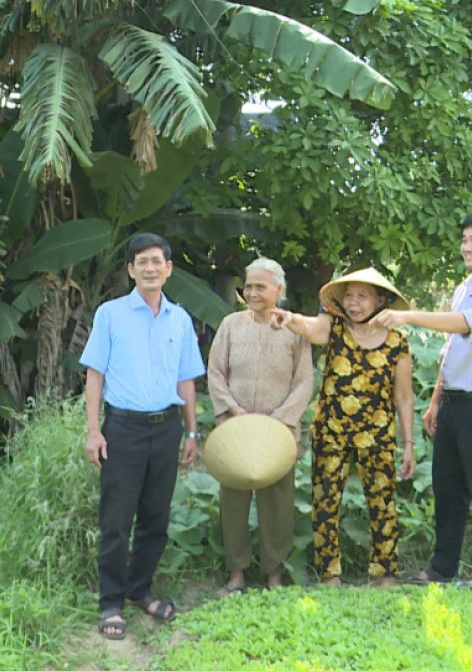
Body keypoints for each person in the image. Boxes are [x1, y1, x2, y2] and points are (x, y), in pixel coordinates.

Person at [370, 208, 472, 588]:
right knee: (448, 490)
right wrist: (437, 397)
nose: (467, 247)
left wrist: (408, 316)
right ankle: (442, 568)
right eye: (465, 239)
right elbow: (452, 346)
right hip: (454, 403)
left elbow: (463, 324)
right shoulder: (463, 288)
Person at [79, 233, 205, 640]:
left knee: (156, 517)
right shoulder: (110, 314)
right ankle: (111, 603)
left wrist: (191, 431)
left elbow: (186, 379)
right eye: (141, 262)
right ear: (131, 270)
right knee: (116, 520)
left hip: (166, 428)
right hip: (123, 429)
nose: (150, 268)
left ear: (169, 268)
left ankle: (140, 590)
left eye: (156, 261)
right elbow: (94, 375)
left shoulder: (180, 319)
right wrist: (94, 432)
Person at [271, 268, 416, 587]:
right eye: (349, 295)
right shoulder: (333, 328)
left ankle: (385, 573)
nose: (353, 302)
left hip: (378, 436)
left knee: (383, 503)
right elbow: (308, 325)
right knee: (325, 502)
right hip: (331, 433)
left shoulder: (397, 342)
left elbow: (404, 397)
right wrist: (289, 318)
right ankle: (329, 574)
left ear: (380, 301)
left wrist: (409, 444)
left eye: (362, 296)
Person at [207, 258, 313, 596]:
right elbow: (215, 372)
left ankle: (274, 574)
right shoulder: (230, 325)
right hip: (235, 430)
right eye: (248, 286)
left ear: (278, 290)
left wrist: (280, 419)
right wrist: (233, 409)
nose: (252, 293)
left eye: (260, 287)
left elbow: (304, 381)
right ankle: (236, 574)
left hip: (278, 433)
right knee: (233, 503)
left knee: (278, 505)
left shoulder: (294, 328)